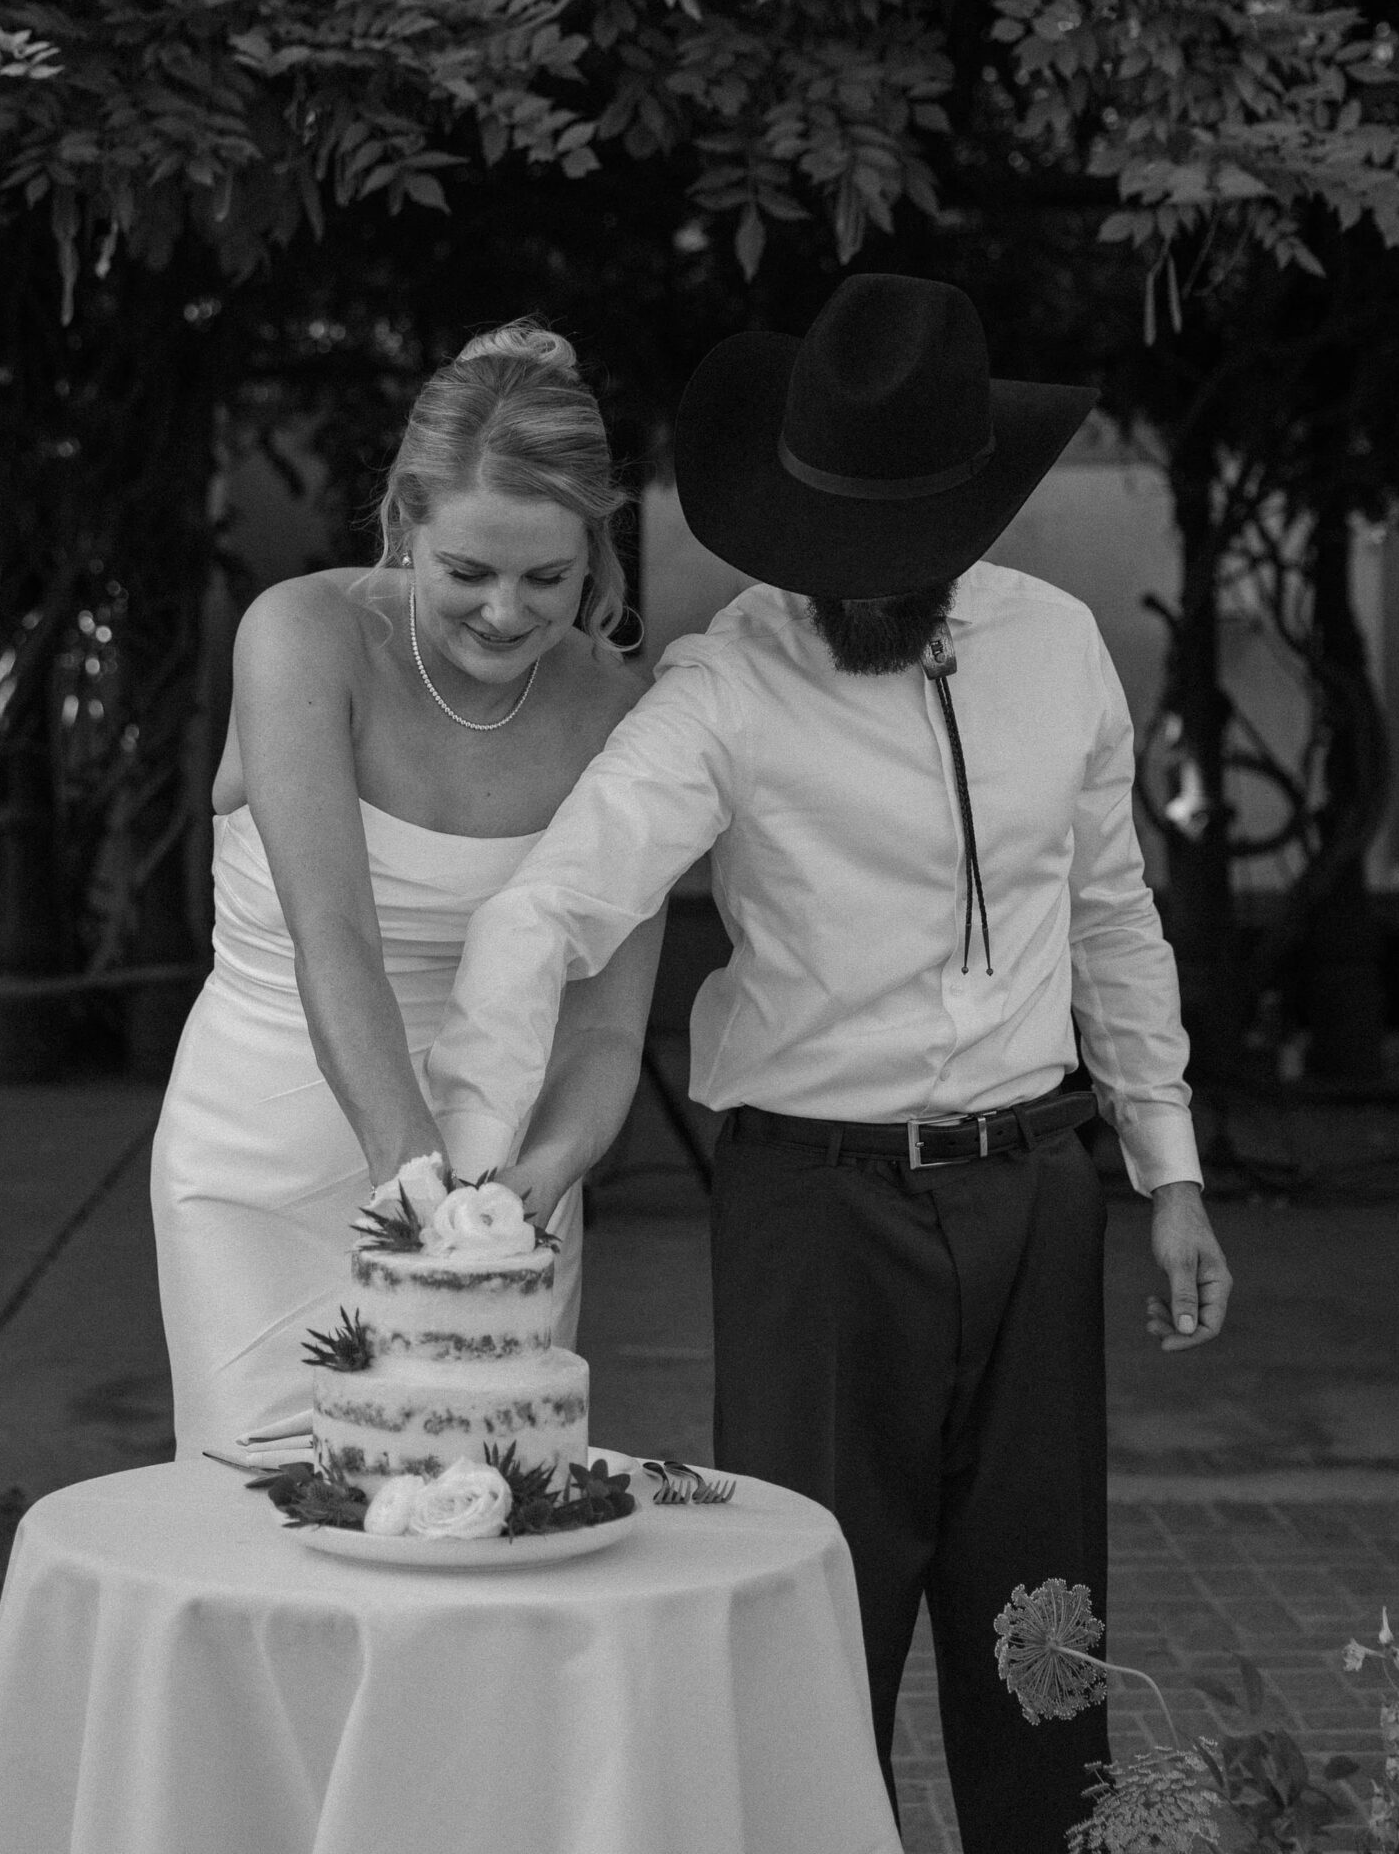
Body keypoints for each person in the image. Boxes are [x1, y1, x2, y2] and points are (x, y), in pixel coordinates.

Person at [431, 273, 1232, 1854]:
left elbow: (1109, 912)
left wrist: (1172, 1170)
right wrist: (470, 1175)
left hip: (1035, 1192)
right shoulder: (720, 688)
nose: (864, 581)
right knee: (807, 1626)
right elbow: (548, 913)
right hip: (814, 1211)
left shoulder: (1058, 649)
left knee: (1041, 1627)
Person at [150, 321, 665, 1460]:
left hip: (500, 1184)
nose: (505, 611)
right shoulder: (302, 636)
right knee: (266, 1521)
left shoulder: (618, 715)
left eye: (548, 577)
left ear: (597, 549)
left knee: (477, 1518)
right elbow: (336, 937)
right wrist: (414, 1186)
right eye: (467, 572)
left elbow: (606, 1027)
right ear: (404, 526)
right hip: (274, 1141)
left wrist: (527, 1188)